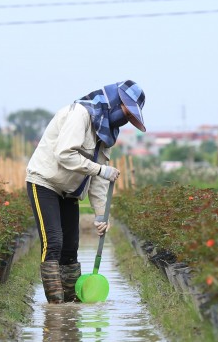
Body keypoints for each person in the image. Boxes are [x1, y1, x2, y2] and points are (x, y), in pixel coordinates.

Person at [25, 80, 146, 303]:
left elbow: (100, 180)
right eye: (126, 112)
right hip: (45, 182)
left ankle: (71, 303)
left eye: (130, 118)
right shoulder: (79, 114)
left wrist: (101, 216)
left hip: (69, 190)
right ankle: (55, 307)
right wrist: (101, 169)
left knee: (71, 248)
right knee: (53, 243)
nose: (126, 119)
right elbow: (65, 154)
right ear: (115, 102)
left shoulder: (107, 133)